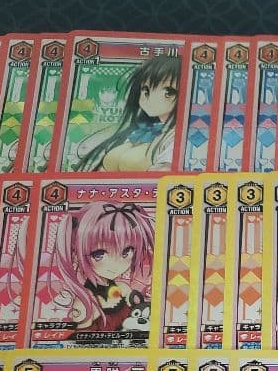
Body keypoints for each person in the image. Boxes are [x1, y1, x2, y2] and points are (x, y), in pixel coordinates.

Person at [47, 201, 155, 334]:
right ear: (76, 254)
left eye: (126, 252)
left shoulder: (123, 288)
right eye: (99, 254)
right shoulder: (86, 303)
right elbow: (81, 340)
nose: (116, 264)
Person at [77, 54, 179, 172]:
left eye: (168, 93)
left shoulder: (176, 137)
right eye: (145, 90)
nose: (151, 98)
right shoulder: (140, 130)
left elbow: (165, 172)